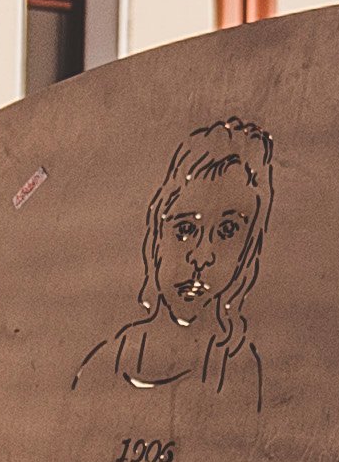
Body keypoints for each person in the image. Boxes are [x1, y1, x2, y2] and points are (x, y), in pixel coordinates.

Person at [81, 115, 276, 396]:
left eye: (227, 230)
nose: (201, 256)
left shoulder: (240, 374)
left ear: (247, 251)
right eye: (185, 229)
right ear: (157, 237)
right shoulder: (104, 365)